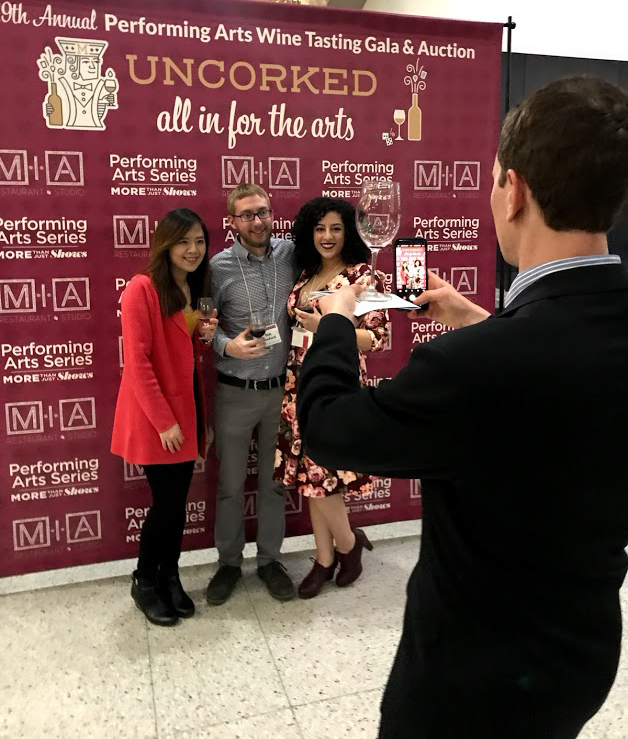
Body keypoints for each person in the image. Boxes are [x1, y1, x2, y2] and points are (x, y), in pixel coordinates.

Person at [296, 76, 628, 738]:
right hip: (581, 659)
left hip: (467, 684)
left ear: (516, 191)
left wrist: (333, 322)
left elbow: (331, 428)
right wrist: (479, 319)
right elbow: (561, 371)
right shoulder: (510, 348)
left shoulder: (470, 370)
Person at [274, 197, 389, 599]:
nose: (327, 236)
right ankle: (325, 557)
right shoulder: (306, 273)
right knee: (310, 477)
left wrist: (329, 324)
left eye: (336, 229)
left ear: (349, 233)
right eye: (320, 228)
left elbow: (376, 338)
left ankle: (347, 546)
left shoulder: (363, 275)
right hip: (297, 382)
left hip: (336, 379)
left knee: (324, 474)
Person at [111, 208, 218, 627]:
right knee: (167, 503)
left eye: (199, 241)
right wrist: (165, 422)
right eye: (184, 241)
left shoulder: (197, 287)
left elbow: (192, 356)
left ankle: (169, 575)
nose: (193, 250)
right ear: (165, 244)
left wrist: (206, 338)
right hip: (158, 416)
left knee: (175, 504)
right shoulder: (141, 289)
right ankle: (144, 580)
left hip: (188, 406)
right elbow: (137, 363)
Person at [206, 183, 299, 605]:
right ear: (232, 223)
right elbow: (201, 322)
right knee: (228, 486)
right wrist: (227, 345)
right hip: (235, 393)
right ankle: (228, 564)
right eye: (247, 215)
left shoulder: (292, 255)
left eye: (263, 212)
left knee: (273, 484)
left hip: (280, 392)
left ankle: (269, 561)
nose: (258, 221)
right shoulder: (216, 267)